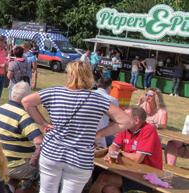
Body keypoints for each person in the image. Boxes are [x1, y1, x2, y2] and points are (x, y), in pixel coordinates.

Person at [21, 61, 133, 193]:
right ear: (89, 76)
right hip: (80, 158)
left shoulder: (55, 92)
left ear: (70, 75)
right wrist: (99, 134)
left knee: (46, 190)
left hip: (52, 152)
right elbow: (126, 121)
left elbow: (26, 102)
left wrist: (43, 123)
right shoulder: (97, 99)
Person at [90, 107, 162, 193]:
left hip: (147, 177)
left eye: (125, 116)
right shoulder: (126, 127)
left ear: (136, 120)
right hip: (129, 171)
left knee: (104, 177)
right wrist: (112, 153)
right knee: (108, 188)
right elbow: (114, 146)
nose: (122, 118)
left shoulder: (148, 130)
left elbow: (137, 159)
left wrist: (121, 153)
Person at [0, 81, 43, 192]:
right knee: (46, 167)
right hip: (15, 166)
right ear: (27, 98)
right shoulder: (23, 116)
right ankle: (23, 187)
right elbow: (39, 141)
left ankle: (11, 185)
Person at [94, 77, 119, 147]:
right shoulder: (112, 100)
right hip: (100, 135)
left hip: (82, 131)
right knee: (118, 142)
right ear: (109, 87)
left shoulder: (88, 94)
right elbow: (114, 121)